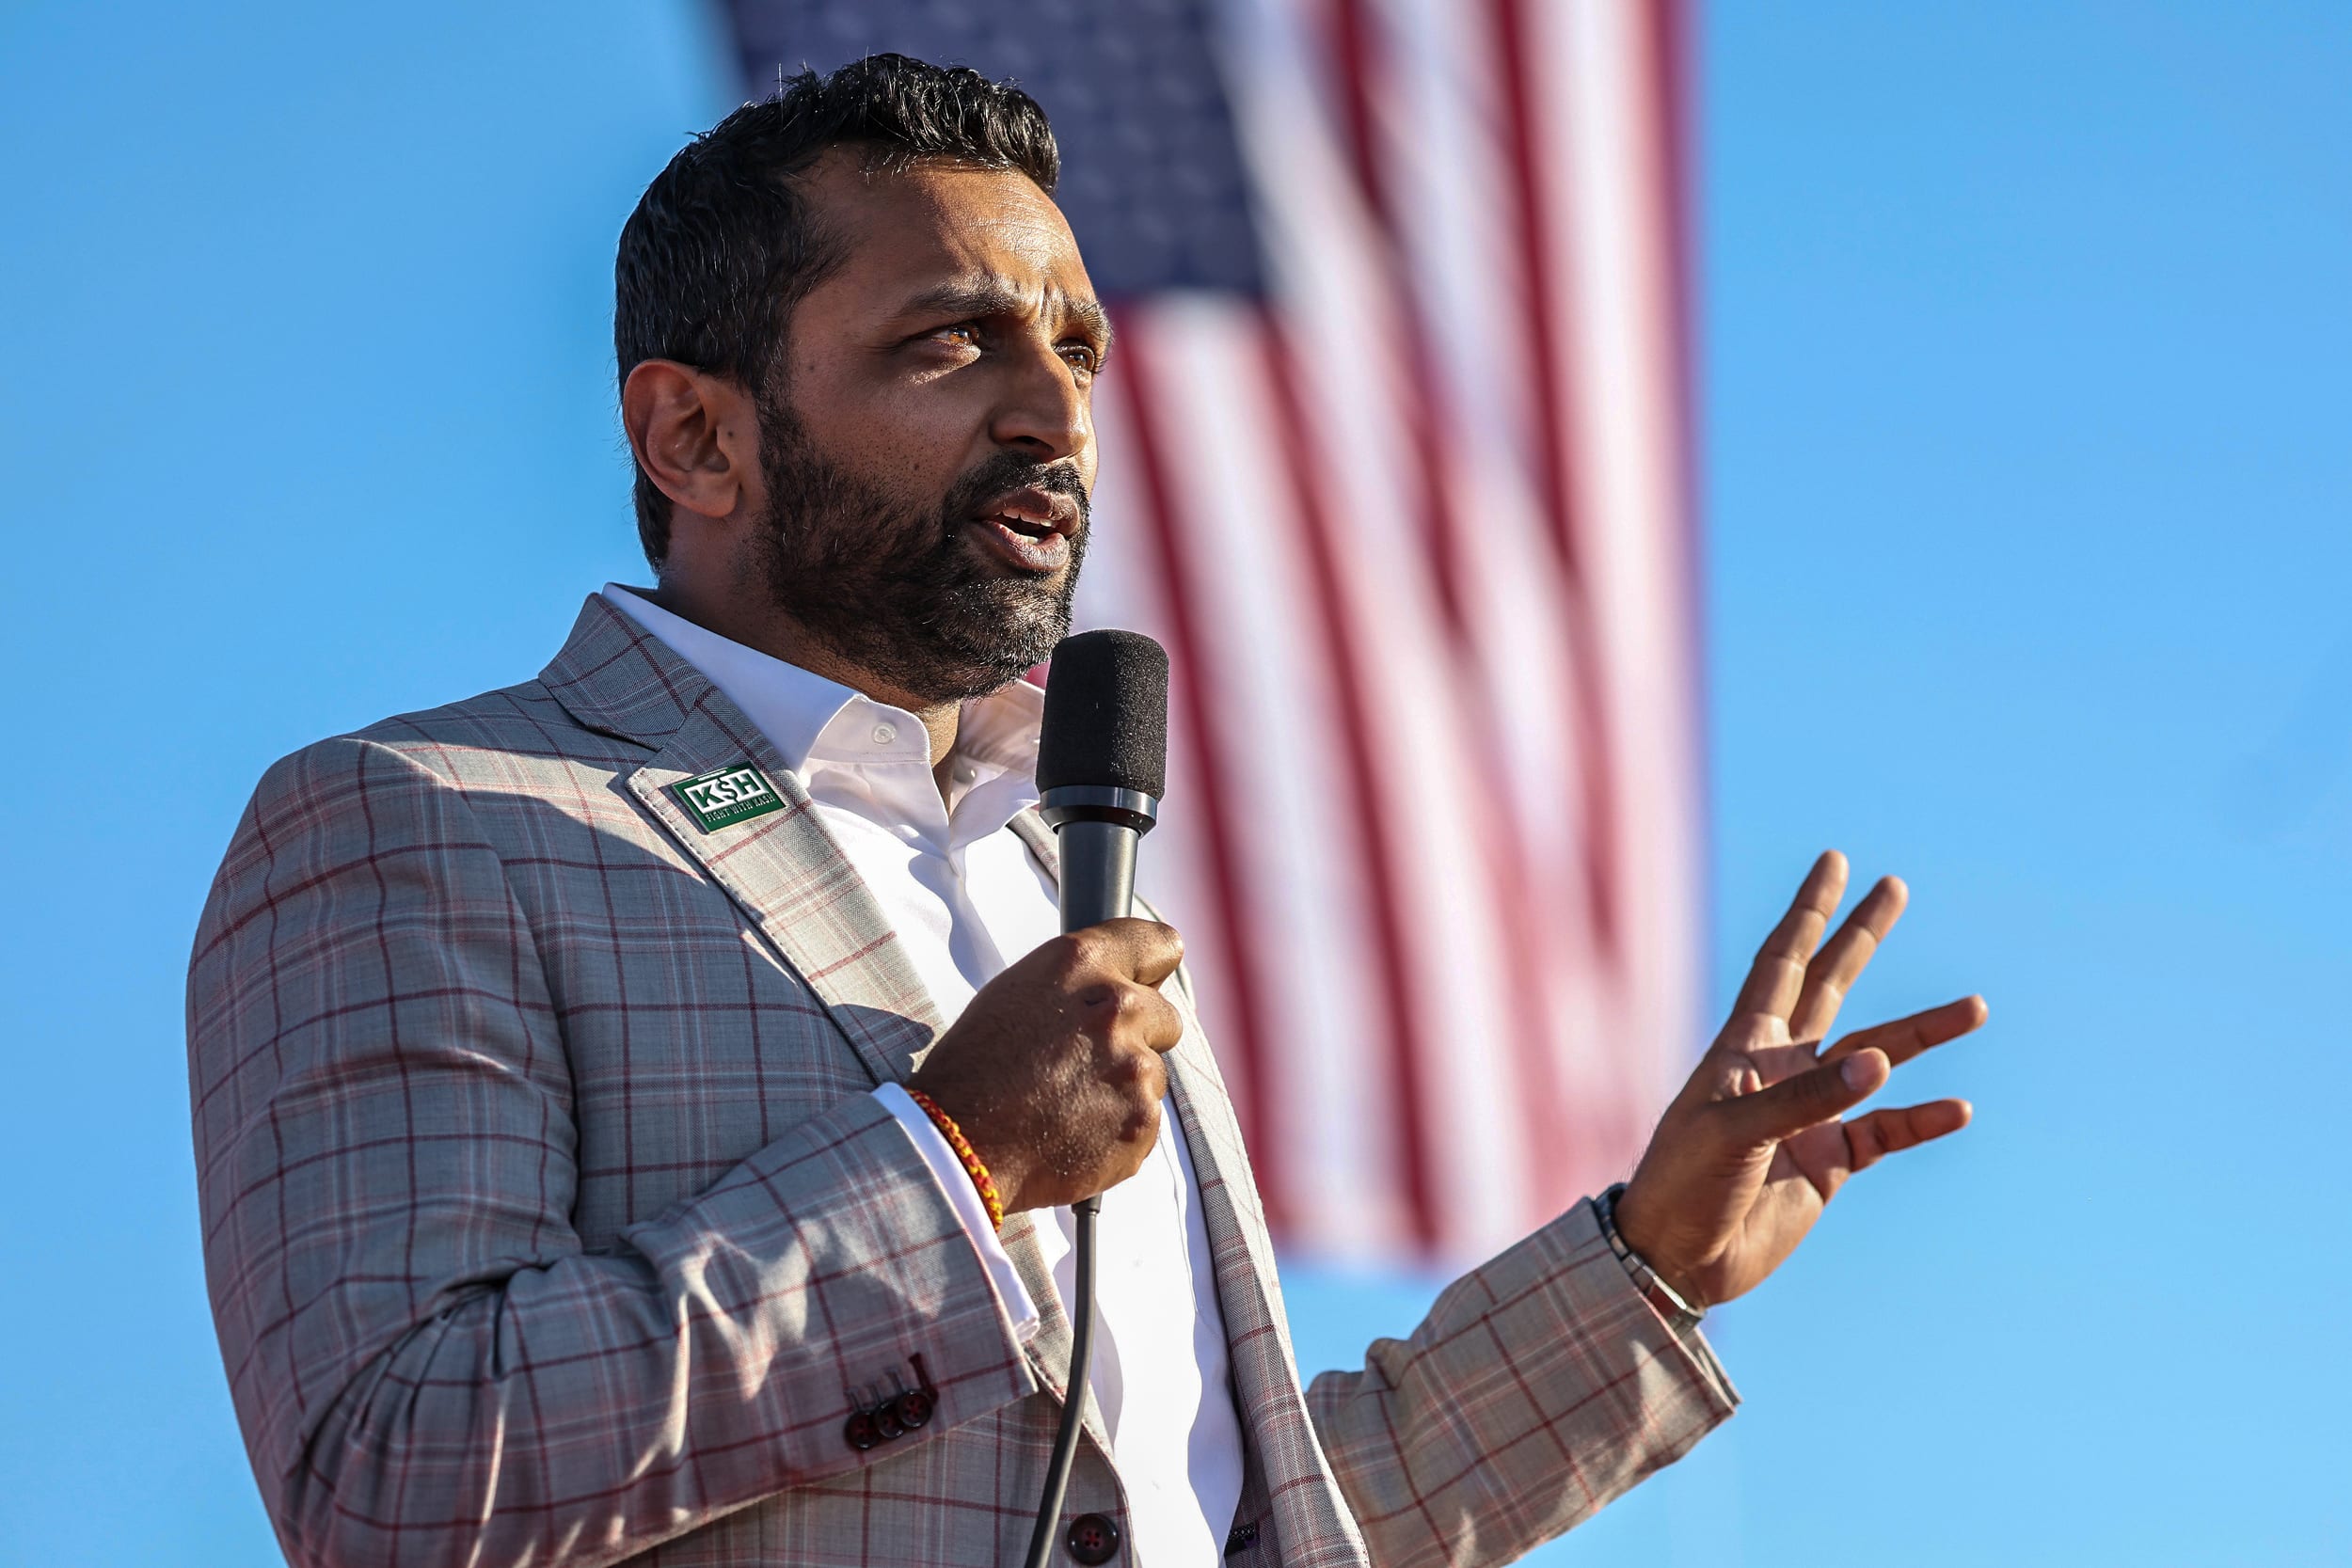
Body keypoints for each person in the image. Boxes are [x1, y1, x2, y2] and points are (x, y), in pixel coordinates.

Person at [186, 55, 1986, 1568]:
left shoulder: (1054, 869)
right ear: (696, 439)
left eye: (1078, 351)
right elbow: (395, 1469)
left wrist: (1643, 1267)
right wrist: (952, 1170)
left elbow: (1207, 1512)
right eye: (953, 342)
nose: (1056, 410)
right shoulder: (419, 820)